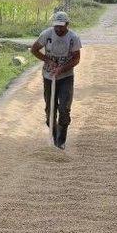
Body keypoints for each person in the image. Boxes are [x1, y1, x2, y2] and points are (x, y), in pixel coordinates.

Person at [31, 11, 82, 149]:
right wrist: (47, 60)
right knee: (50, 110)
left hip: (66, 77)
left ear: (67, 25)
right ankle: (53, 138)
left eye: (61, 26)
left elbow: (76, 58)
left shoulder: (73, 38)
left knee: (64, 109)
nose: (58, 29)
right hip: (48, 77)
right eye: (56, 26)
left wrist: (62, 69)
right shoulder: (46, 35)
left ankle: (61, 142)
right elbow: (34, 50)